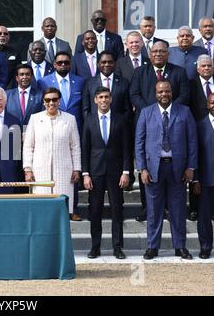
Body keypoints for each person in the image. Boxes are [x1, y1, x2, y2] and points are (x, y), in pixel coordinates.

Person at [135, 80, 197, 260]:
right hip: (154, 169)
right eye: (160, 92)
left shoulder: (184, 112)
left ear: (172, 92)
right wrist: (142, 168)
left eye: (167, 91)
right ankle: (152, 247)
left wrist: (191, 167)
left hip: (178, 168)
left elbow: (192, 141)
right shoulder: (146, 113)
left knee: (178, 209)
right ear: (155, 93)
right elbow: (139, 143)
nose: (164, 95)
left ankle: (180, 246)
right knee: (154, 210)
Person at [130, 42, 190, 221]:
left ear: (168, 54)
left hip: (173, 123)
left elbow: (184, 95)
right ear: (149, 54)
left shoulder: (178, 72)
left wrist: (168, 110)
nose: (158, 54)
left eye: (162, 51)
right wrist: (152, 112)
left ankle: (169, 208)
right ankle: (146, 207)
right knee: (148, 165)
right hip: (148, 124)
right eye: (155, 51)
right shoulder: (141, 72)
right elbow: (134, 94)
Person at [82, 87, 131, 259]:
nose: (103, 100)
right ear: (95, 100)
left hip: (116, 172)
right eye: (100, 97)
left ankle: (117, 247)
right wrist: (85, 174)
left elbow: (126, 148)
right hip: (95, 172)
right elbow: (85, 148)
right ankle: (95, 247)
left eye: (107, 97)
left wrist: (126, 172)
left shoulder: (120, 119)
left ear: (111, 99)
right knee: (95, 210)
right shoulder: (89, 120)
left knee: (117, 210)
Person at [23, 87, 81, 218]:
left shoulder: (70, 119)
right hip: (40, 171)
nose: (51, 103)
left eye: (54, 99)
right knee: (41, 208)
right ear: (43, 102)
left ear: (59, 101)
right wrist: (28, 169)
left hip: (64, 171)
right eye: (48, 100)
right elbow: (28, 146)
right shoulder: (35, 119)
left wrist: (77, 169)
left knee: (62, 208)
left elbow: (75, 146)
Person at [193, 93, 214, 259]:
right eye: (212, 103)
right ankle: (206, 247)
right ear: (208, 104)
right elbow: (195, 154)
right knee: (204, 216)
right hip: (206, 179)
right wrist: (196, 179)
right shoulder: (199, 126)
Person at [82, 51, 133, 120]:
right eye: (103, 62)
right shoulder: (89, 83)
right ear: (98, 64)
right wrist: (91, 125)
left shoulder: (124, 83)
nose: (107, 64)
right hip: (95, 127)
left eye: (110, 62)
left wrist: (121, 124)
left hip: (118, 127)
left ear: (114, 64)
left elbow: (128, 109)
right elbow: (85, 109)